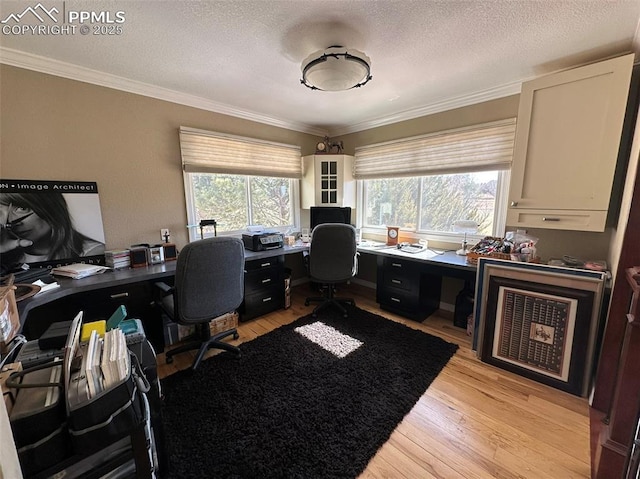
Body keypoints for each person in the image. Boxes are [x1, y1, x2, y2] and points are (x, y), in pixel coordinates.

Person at [0, 192, 104, 272]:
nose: (10, 222)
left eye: (22, 208)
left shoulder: (93, 253)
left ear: (51, 208)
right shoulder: (6, 256)